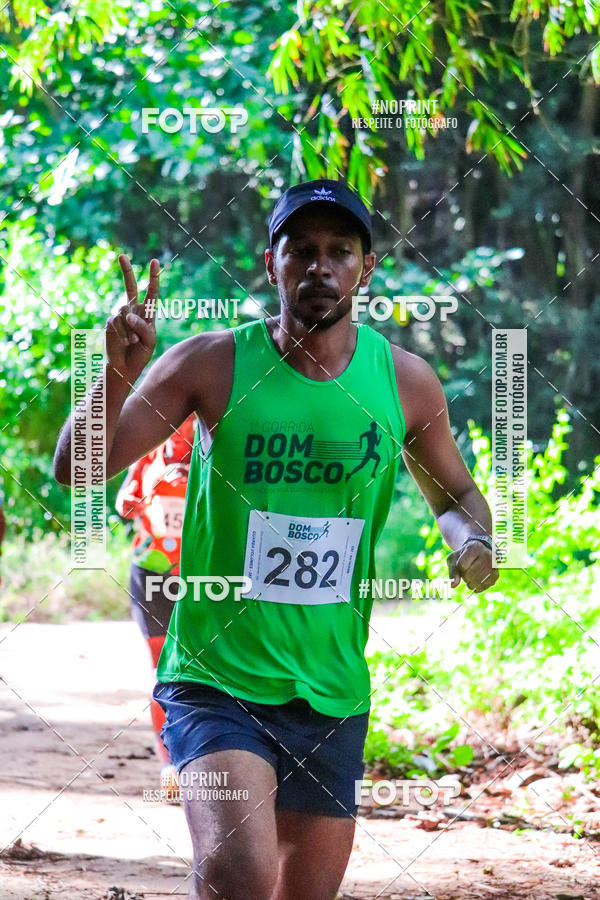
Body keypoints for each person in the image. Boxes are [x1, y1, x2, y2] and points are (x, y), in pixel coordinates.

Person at [54, 178, 499, 900]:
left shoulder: (406, 382)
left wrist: (472, 540)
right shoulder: (213, 363)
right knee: (240, 875)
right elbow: (77, 467)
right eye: (302, 251)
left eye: (339, 252)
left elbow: (456, 495)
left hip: (332, 688)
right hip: (216, 677)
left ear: (366, 269)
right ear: (272, 265)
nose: (319, 266)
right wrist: (113, 371)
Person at [115, 413, 195, 798]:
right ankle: (171, 765)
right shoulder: (148, 452)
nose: (185, 423)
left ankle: (204, 757)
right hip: (153, 572)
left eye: (192, 417)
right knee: (162, 668)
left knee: (201, 668)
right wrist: (147, 494)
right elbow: (123, 505)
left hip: (203, 577)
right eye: (180, 417)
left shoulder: (215, 448)